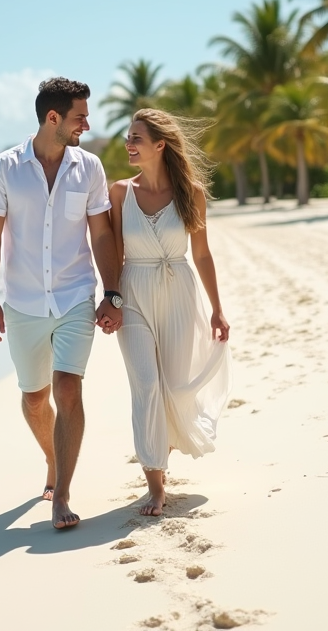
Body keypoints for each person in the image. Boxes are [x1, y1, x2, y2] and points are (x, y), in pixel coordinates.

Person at [0, 77, 123, 530]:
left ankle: (62, 495)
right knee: (36, 398)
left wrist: (111, 292)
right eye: (80, 116)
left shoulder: (90, 168)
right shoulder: (4, 167)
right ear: (53, 118)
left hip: (75, 294)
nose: (87, 123)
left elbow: (101, 233)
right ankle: (52, 460)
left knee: (67, 388)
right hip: (21, 301)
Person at [109, 108, 232, 517]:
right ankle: (156, 484)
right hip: (134, 292)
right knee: (146, 385)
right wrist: (110, 297)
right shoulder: (119, 193)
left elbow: (202, 253)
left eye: (136, 138)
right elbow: (112, 252)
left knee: (176, 387)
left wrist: (217, 309)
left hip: (179, 291)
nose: (128, 144)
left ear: (160, 145)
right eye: (129, 137)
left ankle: (169, 435)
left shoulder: (191, 192)